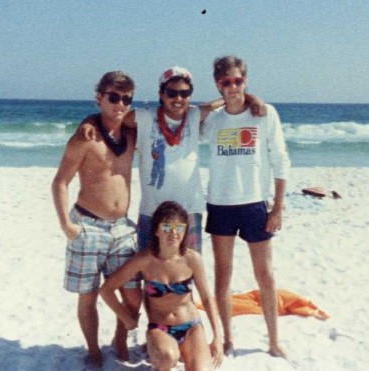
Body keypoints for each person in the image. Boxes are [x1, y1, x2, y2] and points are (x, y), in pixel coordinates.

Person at [78, 66, 266, 253]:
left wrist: (252, 98)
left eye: (184, 94)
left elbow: (225, 100)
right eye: (172, 93)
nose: (178, 99)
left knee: (187, 269)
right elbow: (111, 116)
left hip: (189, 210)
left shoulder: (194, 115)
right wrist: (89, 121)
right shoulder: (143, 117)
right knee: (150, 270)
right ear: (161, 94)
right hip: (152, 211)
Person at [200, 55, 290, 357]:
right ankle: (227, 339)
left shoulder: (265, 114)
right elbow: (190, 118)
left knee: (265, 276)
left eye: (239, 81)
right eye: (226, 82)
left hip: (254, 204)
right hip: (220, 204)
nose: (233, 86)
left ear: (246, 80)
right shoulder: (212, 121)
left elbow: (280, 160)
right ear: (218, 84)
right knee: (223, 275)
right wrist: (220, 102)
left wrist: (277, 207)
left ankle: (274, 340)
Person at [51, 71, 142, 368]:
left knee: (132, 294)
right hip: (87, 226)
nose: (119, 104)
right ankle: (93, 350)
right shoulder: (84, 138)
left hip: (122, 229)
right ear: (99, 97)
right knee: (88, 296)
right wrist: (66, 225)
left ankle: (119, 339)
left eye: (125, 99)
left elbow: (170, 117)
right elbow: (60, 182)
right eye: (113, 97)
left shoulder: (132, 134)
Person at [100, 201, 223, 370]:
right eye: (166, 227)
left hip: (192, 326)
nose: (173, 233)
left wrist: (217, 337)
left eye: (179, 228)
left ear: (185, 230)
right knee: (167, 358)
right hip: (160, 328)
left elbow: (207, 298)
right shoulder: (144, 260)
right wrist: (126, 319)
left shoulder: (192, 259)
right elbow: (106, 289)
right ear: (157, 230)